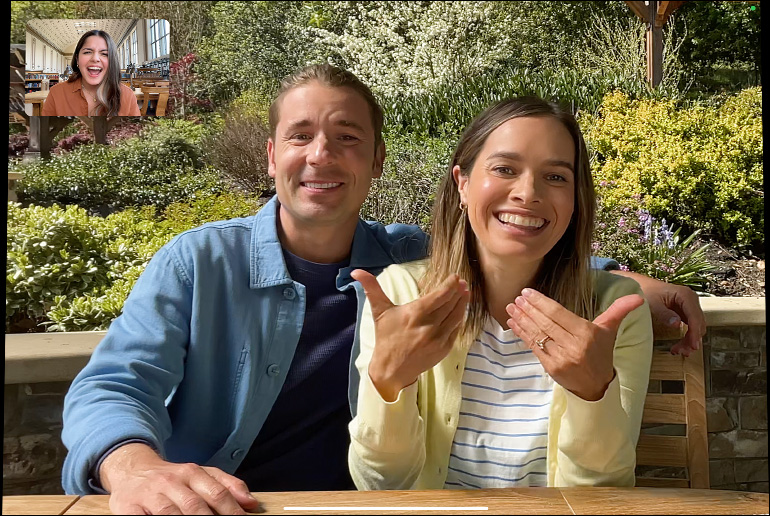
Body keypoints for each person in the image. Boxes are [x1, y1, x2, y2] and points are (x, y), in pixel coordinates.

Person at [61, 64, 705, 515]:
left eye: (347, 139)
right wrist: (137, 469)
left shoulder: (400, 263)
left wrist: (631, 284)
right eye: (301, 136)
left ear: (377, 161)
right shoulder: (200, 262)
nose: (321, 155)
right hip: (217, 503)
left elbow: (505, 241)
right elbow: (113, 384)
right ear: (271, 155)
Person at [348, 96, 653, 490]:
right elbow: (381, 485)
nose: (528, 192)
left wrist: (593, 395)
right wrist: (389, 384)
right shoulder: (402, 293)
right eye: (505, 169)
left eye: (556, 177)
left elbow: (603, 493)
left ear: (576, 200)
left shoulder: (614, 311)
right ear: (462, 183)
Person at [41, 30, 140, 117]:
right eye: (87, 52)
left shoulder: (127, 96)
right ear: (77, 59)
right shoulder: (56, 93)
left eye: (104, 54)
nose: (95, 59)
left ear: (112, 62)